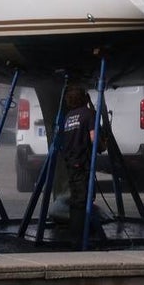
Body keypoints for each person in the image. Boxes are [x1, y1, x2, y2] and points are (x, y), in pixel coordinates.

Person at [61, 84, 100, 242]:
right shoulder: (89, 114)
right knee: (82, 200)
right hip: (83, 161)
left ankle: (78, 232)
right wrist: (102, 145)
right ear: (85, 98)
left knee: (76, 197)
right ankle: (79, 237)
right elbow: (93, 138)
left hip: (70, 161)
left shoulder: (69, 116)